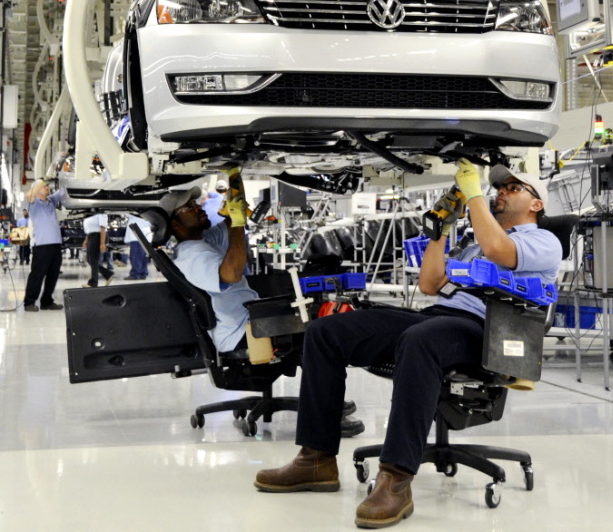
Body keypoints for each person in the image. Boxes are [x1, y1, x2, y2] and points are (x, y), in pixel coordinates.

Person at [254, 159, 563, 529]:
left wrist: (475, 194)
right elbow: (431, 284)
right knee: (327, 332)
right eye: (499, 187)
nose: (501, 192)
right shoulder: (474, 242)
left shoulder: (543, 241)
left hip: (488, 329)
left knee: (421, 339)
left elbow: (500, 251)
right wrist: (441, 230)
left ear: (536, 204)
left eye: (513, 188)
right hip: (437, 316)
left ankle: (396, 478)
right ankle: (316, 459)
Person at [169, 170, 363, 434]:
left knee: (318, 323)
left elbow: (232, 223)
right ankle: (325, 415)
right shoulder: (192, 256)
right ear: (175, 225)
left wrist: (235, 180)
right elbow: (231, 272)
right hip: (242, 333)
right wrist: (236, 221)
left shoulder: (201, 242)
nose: (198, 207)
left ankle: (327, 403)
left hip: (248, 323)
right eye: (188, 208)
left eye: (195, 203)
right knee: (322, 334)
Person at [23, 179, 66, 311]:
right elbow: (29, 195)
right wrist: (42, 180)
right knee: (37, 274)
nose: (47, 187)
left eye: (47, 186)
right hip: (42, 246)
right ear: (36, 189)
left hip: (56, 244)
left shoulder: (51, 201)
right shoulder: (34, 204)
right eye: (43, 186)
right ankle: (29, 302)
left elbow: (63, 190)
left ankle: (47, 301)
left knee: (53, 275)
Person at [81, 212, 114, 288]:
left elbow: (103, 228)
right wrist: (86, 239)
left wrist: (102, 243)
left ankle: (93, 283)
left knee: (94, 260)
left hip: (98, 236)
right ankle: (108, 274)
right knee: (89, 260)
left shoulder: (101, 213)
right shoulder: (89, 214)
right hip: (91, 236)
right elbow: (89, 229)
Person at [123, 214, 152, 280]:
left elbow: (126, 213)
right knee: (143, 257)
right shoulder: (147, 218)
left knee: (136, 257)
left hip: (137, 238)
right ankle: (143, 274)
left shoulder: (134, 217)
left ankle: (135, 274)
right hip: (145, 237)